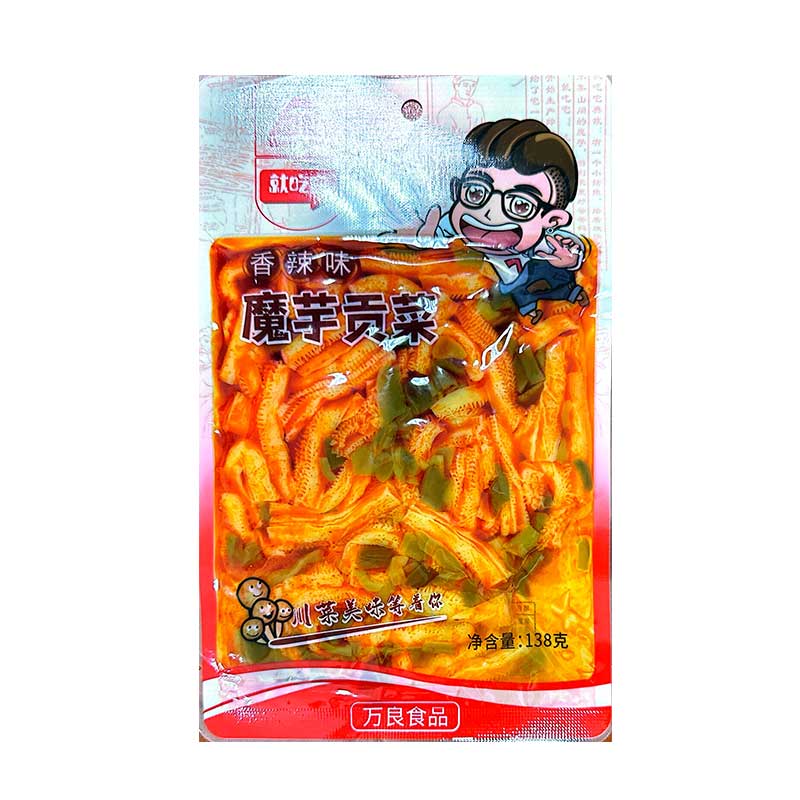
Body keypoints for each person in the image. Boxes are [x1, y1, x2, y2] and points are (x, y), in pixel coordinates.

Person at [402, 118, 590, 324]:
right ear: (456, 190)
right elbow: (430, 242)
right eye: (476, 192)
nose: (490, 213)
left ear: (552, 219)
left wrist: (570, 258)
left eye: (520, 205)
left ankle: (568, 295)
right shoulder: (450, 227)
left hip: (522, 280)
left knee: (551, 281)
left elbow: (568, 248)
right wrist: (422, 239)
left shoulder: (542, 245)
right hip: (486, 290)